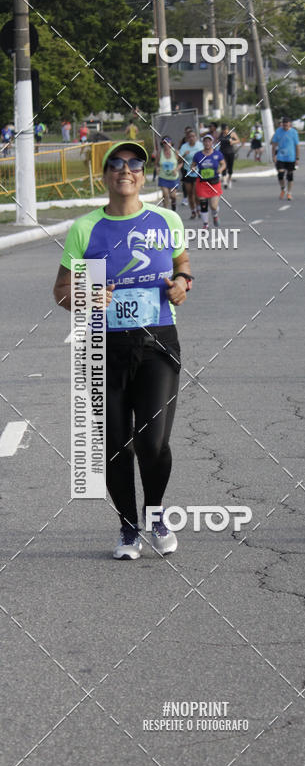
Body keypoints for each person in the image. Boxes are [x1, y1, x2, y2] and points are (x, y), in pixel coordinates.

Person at [52, 142, 192, 560]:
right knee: (115, 444)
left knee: (152, 443)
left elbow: (182, 266)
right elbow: (60, 291)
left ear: (143, 175)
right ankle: (128, 529)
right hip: (103, 345)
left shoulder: (166, 220)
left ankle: (155, 512)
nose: (124, 170)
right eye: (115, 164)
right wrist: (85, 295)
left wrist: (183, 284)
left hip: (157, 342)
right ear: (105, 175)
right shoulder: (85, 229)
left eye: (133, 164)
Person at [192, 133, 226, 229]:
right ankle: (205, 224)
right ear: (203, 142)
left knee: (214, 206)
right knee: (203, 204)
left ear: (212, 142)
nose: (207, 143)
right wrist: (193, 168)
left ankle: (215, 215)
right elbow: (193, 165)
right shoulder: (198, 155)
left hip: (214, 183)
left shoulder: (217, 154)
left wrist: (220, 169)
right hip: (202, 183)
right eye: (205, 141)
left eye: (209, 141)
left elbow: (223, 164)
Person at [271, 116, 300, 200]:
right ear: (282, 124)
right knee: (280, 174)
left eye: (287, 124)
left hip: (291, 157)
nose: (285, 126)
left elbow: (297, 145)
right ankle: (283, 188)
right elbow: (274, 144)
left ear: (289, 124)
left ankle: (289, 193)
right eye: (284, 125)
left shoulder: (294, 132)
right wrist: (273, 155)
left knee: (290, 176)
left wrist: (297, 158)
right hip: (280, 157)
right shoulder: (278, 131)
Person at [178, 129, 202, 218]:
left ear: (196, 137)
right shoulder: (184, 147)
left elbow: (204, 157)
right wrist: (184, 154)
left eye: (193, 136)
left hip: (197, 171)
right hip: (187, 171)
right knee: (189, 193)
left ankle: (199, 209)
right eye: (190, 137)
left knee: (196, 192)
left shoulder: (200, 146)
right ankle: (193, 211)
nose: (192, 138)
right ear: (187, 138)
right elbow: (179, 160)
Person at [157, 136, 179, 210]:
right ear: (162, 144)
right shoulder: (160, 153)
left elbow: (181, 162)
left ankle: (173, 205)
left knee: (173, 196)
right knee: (165, 194)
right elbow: (156, 164)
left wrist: (176, 169)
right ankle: (165, 210)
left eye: (167, 143)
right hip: (163, 177)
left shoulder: (175, 152)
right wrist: (157, 168)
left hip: (173, 178)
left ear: (171, 143)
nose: (166, 145)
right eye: (164, 143)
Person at [217, 124, 240, 188]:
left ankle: (229, 180)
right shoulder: (220, 134)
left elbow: (238, 140)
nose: (225, 131)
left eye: (226, 129)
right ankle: (224, 181)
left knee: (230, 168)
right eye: (224, 130)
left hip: (230, 152)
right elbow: (217, 140)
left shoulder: (232, 134)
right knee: (223, 166)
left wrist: (233, 141)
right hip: (222, 152)